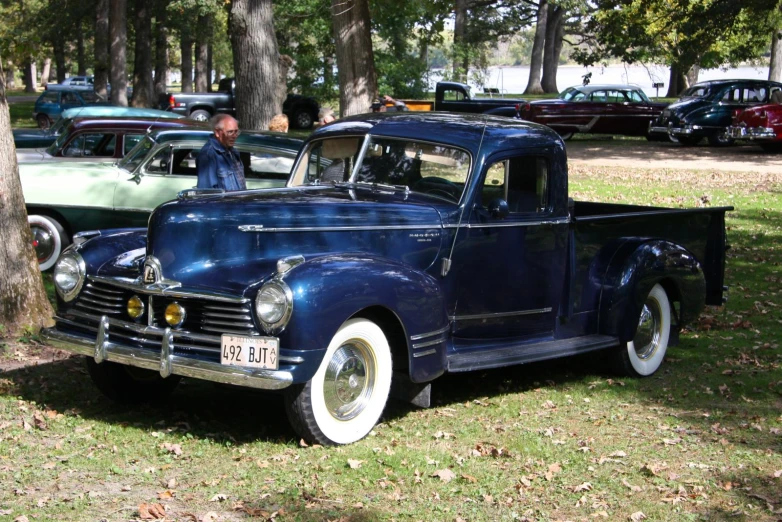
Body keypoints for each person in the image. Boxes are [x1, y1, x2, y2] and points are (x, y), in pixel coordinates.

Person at [196, 114, 246, 191]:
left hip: (238, 202)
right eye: (230, 132)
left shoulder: (233, 152)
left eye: (236, 131)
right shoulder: (209, 154)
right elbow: (206, 193)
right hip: (225, 202)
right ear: (217, 132)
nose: (234, 136)